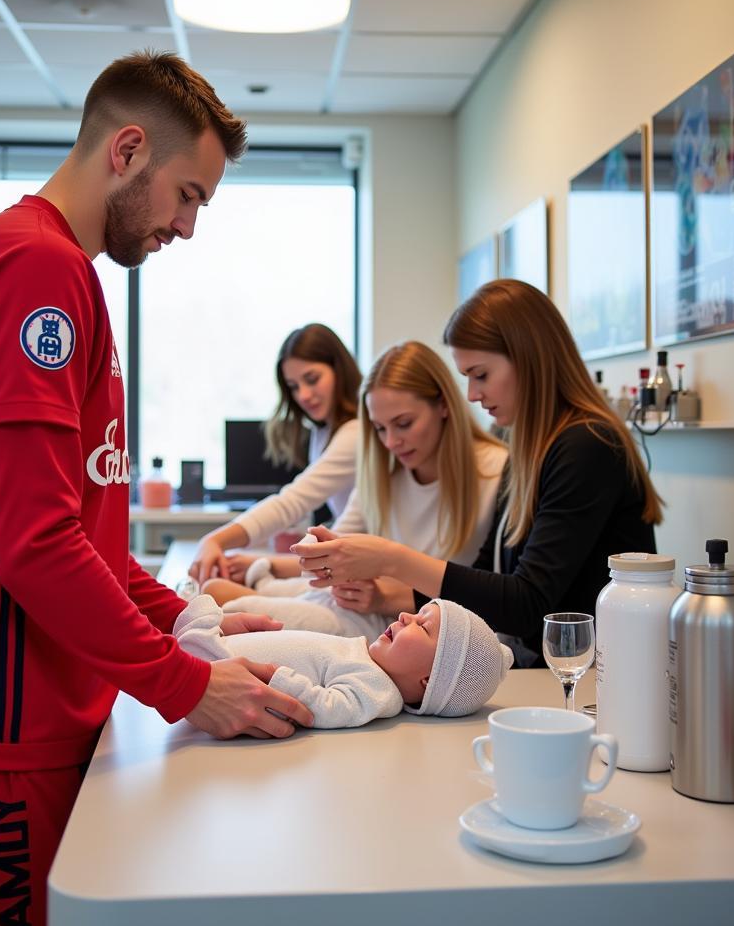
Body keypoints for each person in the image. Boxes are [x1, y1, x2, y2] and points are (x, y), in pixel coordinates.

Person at [0, 51, 313, 926]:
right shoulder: (39, 274)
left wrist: (186, 619)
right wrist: (186, 687)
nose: (188, 226)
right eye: (189, 195)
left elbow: (68, 527)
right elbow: (37, 546)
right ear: (127, 150)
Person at [294, 279, 663, 666]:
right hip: (550, 666)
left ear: (528, 358)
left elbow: (525, 603)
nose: (471, 394)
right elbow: (487, 575)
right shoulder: (527, 447)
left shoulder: (587, 446)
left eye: (481, 375)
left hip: (595, 676)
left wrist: (392, 560)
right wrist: (387, 596)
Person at [211, 341, 509, 642]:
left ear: (444, 405)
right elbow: (335, 555)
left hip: (422, 635)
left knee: (225, 603)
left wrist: (386, 595)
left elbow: (494, 597)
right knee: (217, 593)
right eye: (380, 429)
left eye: (403, 424)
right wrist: (270, 564)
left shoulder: (496, 472)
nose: (391, 442)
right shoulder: (382, 472)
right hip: (369, 613)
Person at [175, 594, 513, 727]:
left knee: (200, 606)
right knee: (200, 609)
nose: (406, 615)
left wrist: (280, 680)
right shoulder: (367, 661)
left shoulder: (378, 689)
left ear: (429, 679)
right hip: (217, 657)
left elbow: (328, 709)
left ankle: (194, 637)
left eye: (423, 626)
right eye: (418, 613)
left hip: (223, 673)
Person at [189, 323, 362, 582]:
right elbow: (341, 535)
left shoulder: (354, 434)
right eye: (293, 386)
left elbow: (291, 502)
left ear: (340, 370)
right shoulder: (324, 432)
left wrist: (216, 540)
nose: (303, 395)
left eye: (312, 379)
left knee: (223, 595)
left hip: (361, 576)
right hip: (349, 569)